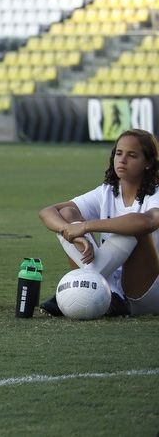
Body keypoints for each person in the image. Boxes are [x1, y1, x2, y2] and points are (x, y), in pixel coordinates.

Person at [38, 128, 159, 316]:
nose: (122, 160)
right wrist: (71, 232)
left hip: (145, 290)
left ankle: (76, 288)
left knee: (133, 228)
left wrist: (85, 226)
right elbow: (48, 212)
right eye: (119, 153)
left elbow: (147, 222)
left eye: (132, 155)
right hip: (105, 287)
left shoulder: (156, 194)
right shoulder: (107, 192)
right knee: (68, 214)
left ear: (149, 163)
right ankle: (107, 293)